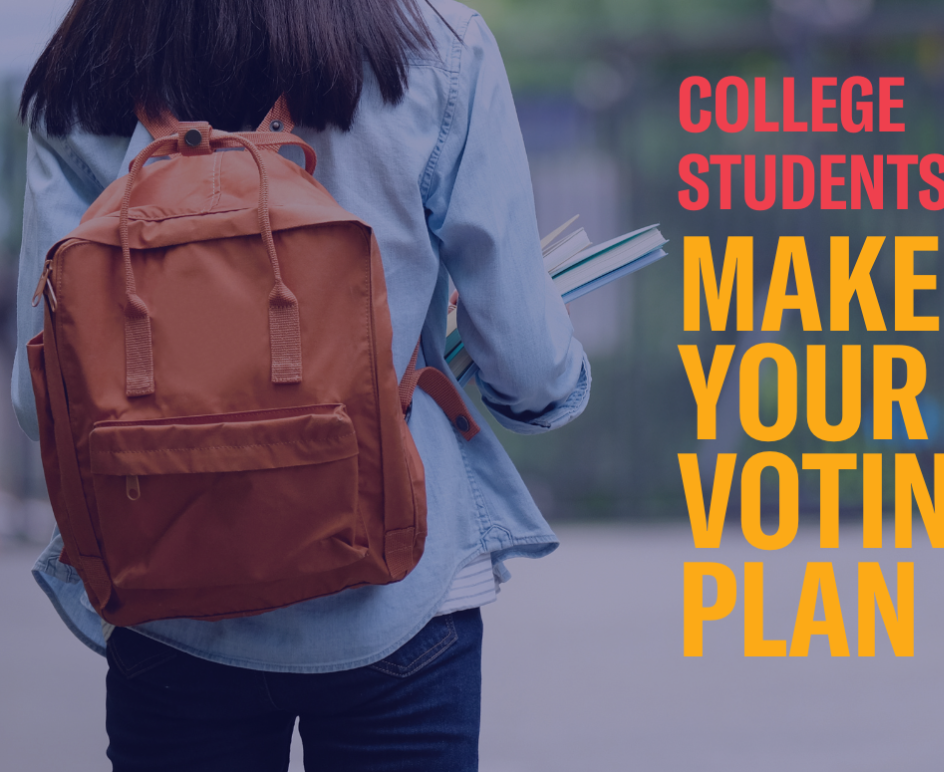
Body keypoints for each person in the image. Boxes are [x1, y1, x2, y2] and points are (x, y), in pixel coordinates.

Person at [12, 1, 590, 770]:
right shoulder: (435, 46)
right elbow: (527, 364)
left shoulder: (89, 59)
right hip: (399, 598)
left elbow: (37, 400)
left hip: (168, 604)